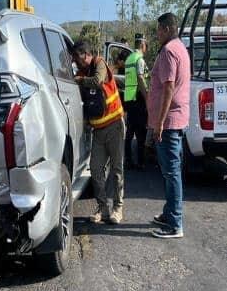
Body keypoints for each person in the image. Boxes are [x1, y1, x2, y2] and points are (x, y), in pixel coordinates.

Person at [147, 13, 190, 239]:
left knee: (171, 172)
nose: (156, 34)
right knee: (171, 172)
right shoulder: (180, 47)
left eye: (158, 30)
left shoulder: (168, 52)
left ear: (164, 29)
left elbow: (168, 88)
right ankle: (169, 213)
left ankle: (175, 224)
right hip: (176, 119)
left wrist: (160, 122)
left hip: (169, 122)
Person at [73, 40, 125, 225]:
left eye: (77, 58)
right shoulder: (82, 72)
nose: (75, 62)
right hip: (98, 131)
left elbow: (98, 81)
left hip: (114, 126)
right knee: (96, 169)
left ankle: (117, 209)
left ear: (86, 55)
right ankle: (102, 208)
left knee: (117, 169)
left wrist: (80, 81)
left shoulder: (99, 64)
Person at [124, 34, 149, 170]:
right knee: (141, 132)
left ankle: (128, 160)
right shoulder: (139, 59)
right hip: (138, 99)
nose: (146, 48)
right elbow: (140, 78)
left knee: (129, 133)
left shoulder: (129, 59)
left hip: (129, 98)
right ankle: (140, 162)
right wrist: (147, 96)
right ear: (142, 45)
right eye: (146, 46)